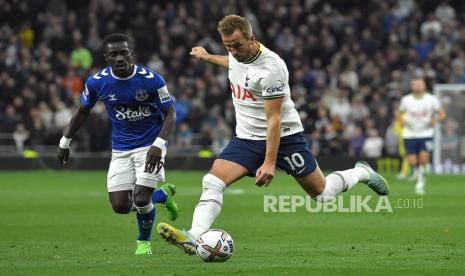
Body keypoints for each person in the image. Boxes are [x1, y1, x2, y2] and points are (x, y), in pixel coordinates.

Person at [156, 15, 389, 255]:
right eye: (227, 46)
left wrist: (269, 162)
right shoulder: (238, 55)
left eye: (236, 45)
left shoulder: (271, 69)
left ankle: (362, 172)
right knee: (212, 181)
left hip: (285, 137)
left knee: (322, 195)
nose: (233, 51)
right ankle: (194, 236)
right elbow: (234, 63)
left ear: (252, 39)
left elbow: (274, 120)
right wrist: (208, 57)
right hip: (247, 138)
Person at [57, 33, 179, 255]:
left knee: (141, 198)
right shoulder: (97, 82)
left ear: (131, 54)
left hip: (150, 146)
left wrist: (158, 145)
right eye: (114, 54)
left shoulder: (152, 79)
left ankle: (143, 242)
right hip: (121, 149)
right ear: (107, 57)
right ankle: (162, 196)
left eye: (124, 53)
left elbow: (170, 113)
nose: (120, 58)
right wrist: (65, 141)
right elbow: (82, 111)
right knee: (120, 206)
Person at [396, 77, 445, 195]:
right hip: (410, 133)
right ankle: (416, 173)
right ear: (412, 86)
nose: (417, 86)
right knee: (412, 162)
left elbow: (442, 114)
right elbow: (399, 112)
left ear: (424, 86)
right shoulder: (406, 100)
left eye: (419, 84)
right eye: (415, 84)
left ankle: (420, 183)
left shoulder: (432, 99)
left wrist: (435, 120)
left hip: (426, 133)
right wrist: (401, 121)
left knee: (423, 158)